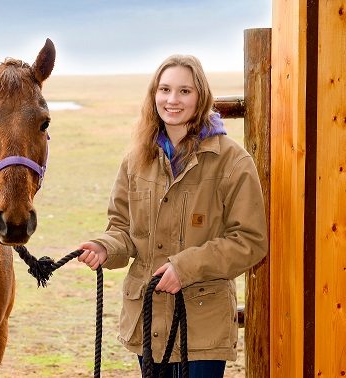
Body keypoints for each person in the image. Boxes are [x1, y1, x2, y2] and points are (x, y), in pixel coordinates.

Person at [77, 55, 268, 377]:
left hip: (202, 320)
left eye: (184, 91)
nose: (172, 100)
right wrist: (106, 246)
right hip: (149, 320)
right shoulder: (136, 159)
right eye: (164, 89)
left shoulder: (232, 161)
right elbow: (123, 227)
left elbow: (250, 240)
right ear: (154, 95)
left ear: (201, 96)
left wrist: (186, 268)